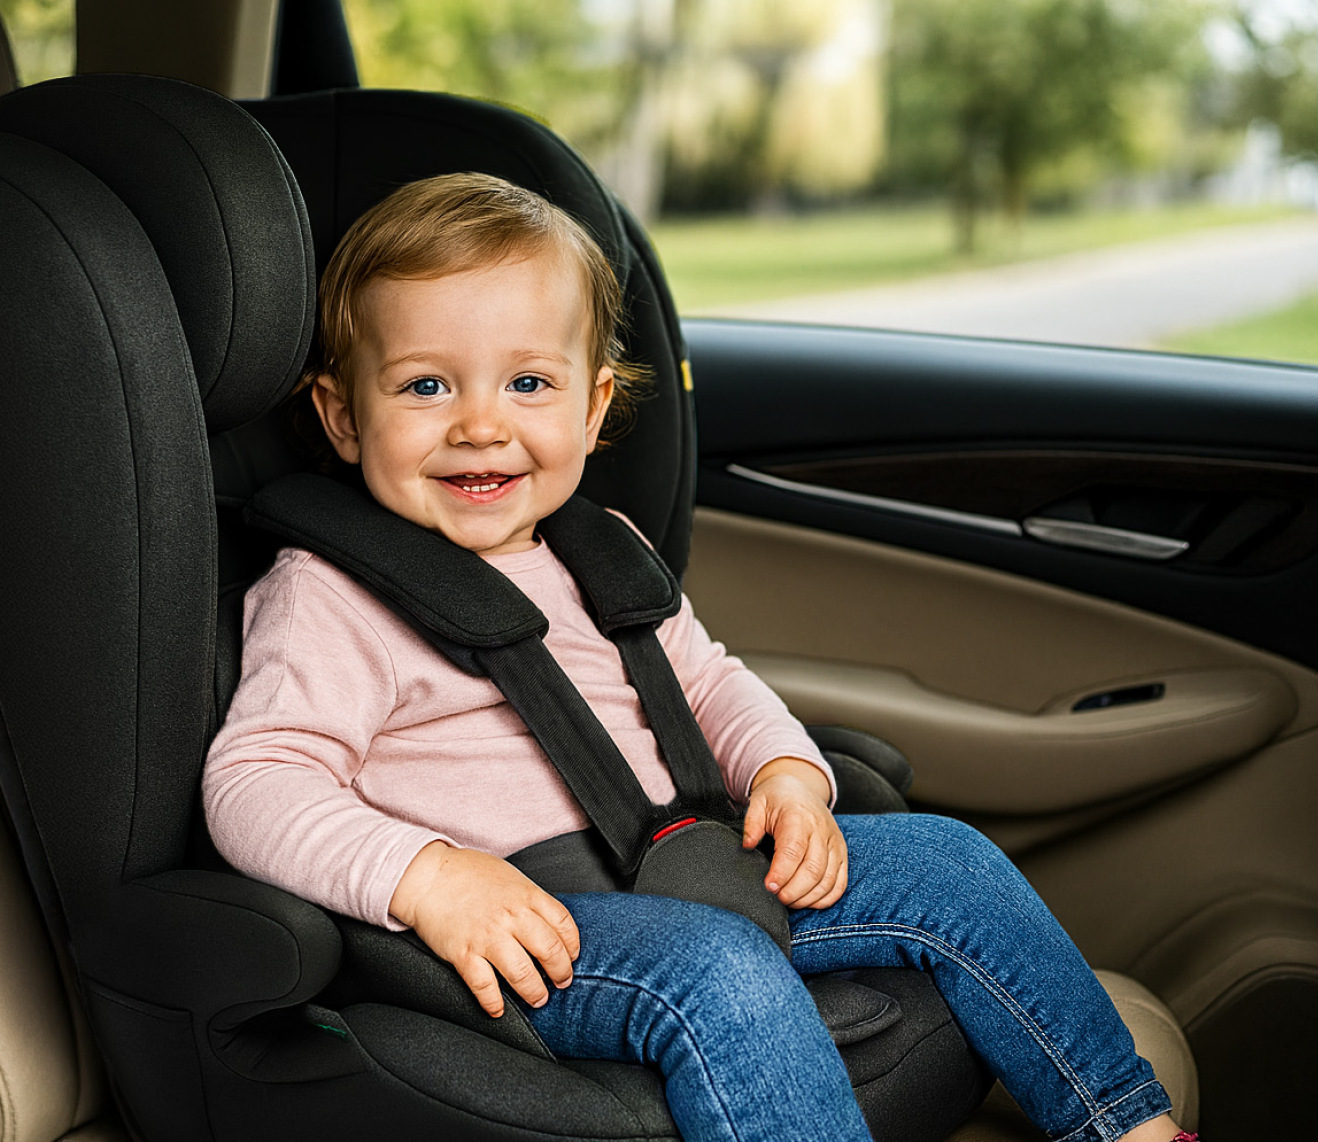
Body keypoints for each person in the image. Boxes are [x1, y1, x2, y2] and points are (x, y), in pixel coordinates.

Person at [203, 172, 1194, 1142]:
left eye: (528, 383)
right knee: (720, 970)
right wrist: (426, 877)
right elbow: (255, 779)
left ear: (592, 408)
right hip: (540, 927)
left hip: (690, 858)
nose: (480, 424)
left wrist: (785, 773)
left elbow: (709, 679)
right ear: (343, 415)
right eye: (425, 385)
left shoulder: (604, 552)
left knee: (952, 861)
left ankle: (1125, 1121)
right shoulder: (330, 594)